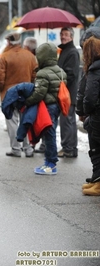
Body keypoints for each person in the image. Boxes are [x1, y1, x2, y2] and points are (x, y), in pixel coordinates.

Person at [25, 42, 66, 175]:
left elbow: (39, 93)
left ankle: (51, 163)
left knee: (49, 134)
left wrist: (28, 101)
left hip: (47, 107)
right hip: (57, 105)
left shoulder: (43, 73)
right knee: (51, 133)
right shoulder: (61, 71)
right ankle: (49, 161)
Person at [0, 32, 37, 157]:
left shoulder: (5, 56)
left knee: (12, 121)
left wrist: (1, 89)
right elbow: (35, 74)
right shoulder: (29, 56)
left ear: (8, 42)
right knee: (25, 120)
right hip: (26, 93)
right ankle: (28, 148)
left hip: (9, 94)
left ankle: (16, 148)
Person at [77, 28, 100, 195]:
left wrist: (86, 111)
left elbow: (89, 96)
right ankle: (97, 180)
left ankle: (98, 184)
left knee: (97, 147)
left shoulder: (94, 69)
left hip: (97, 114)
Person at [57, 27, 80, 158]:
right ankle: (69, 147)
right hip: (65, 92)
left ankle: (69, 148)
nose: (63, 37)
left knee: (67, 121)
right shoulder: (65, 50)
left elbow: (70, 74)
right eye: (61, 34)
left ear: (71, 37)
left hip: (67, 93)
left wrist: (59, 77)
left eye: (66, 34)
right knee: (66, 121)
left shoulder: (72, 52)